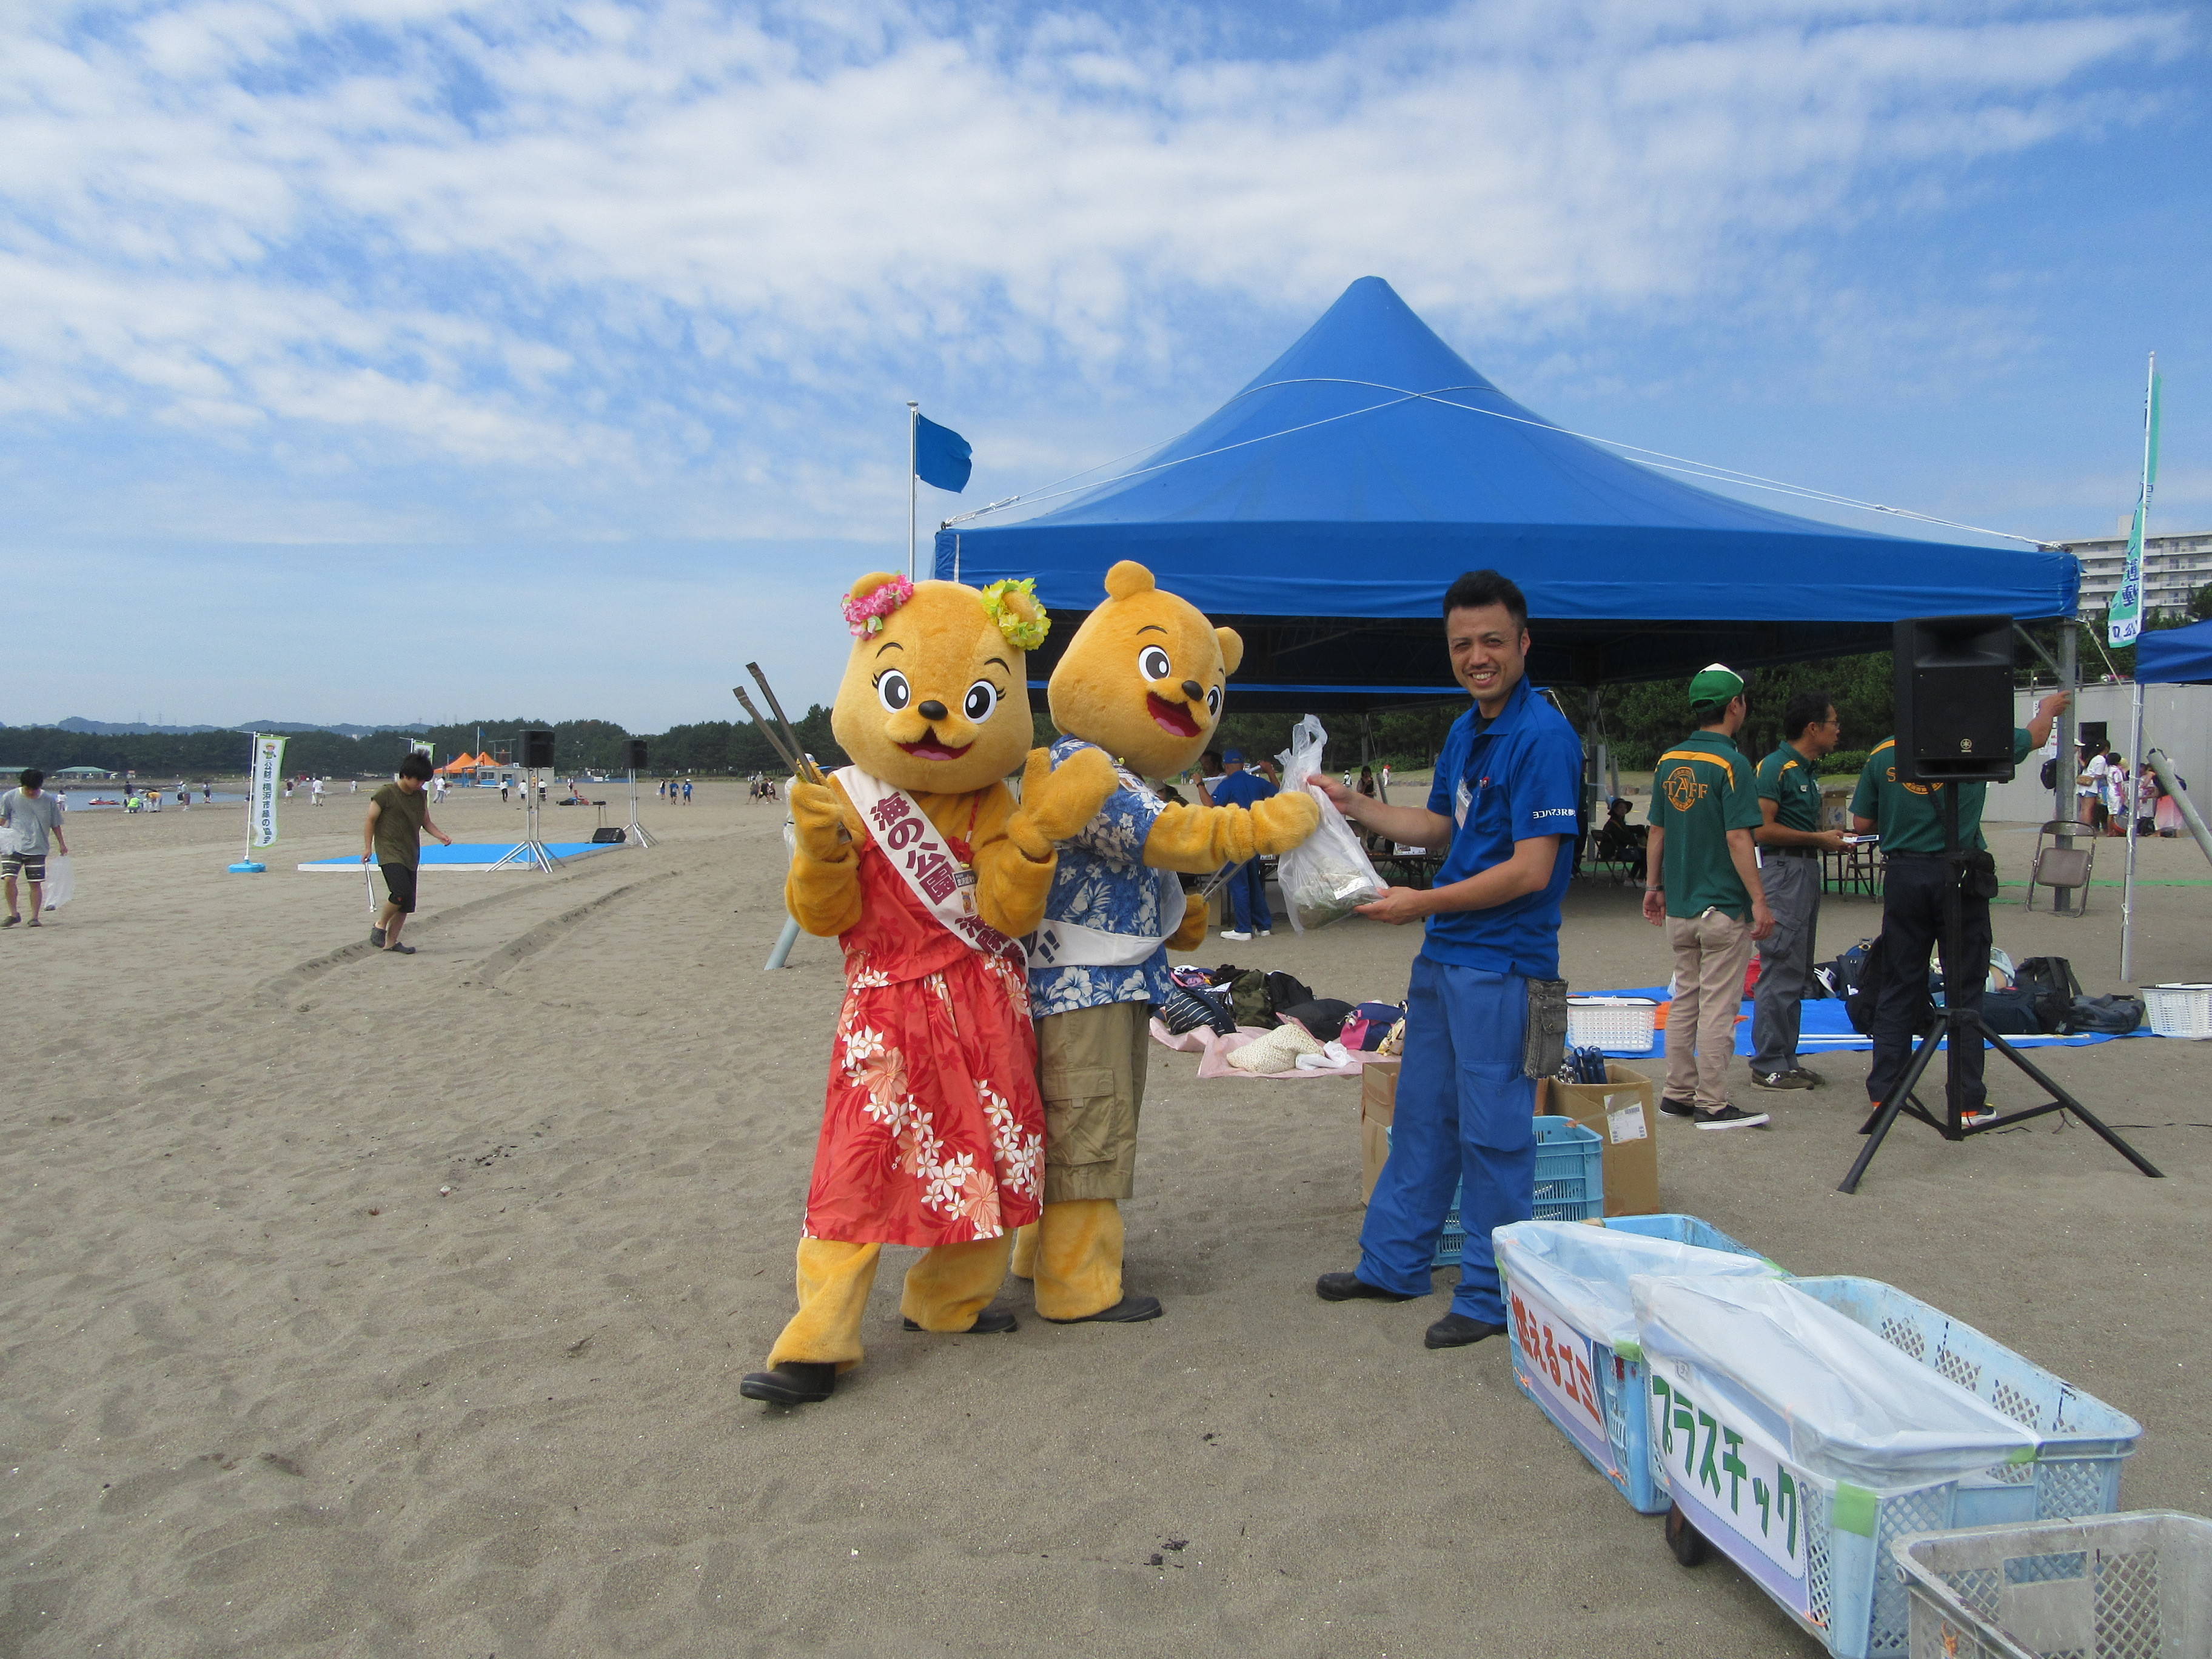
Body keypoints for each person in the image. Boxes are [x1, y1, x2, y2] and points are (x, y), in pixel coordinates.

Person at [1311, 569, 1583, 1350]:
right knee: (1424, 1115)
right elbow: (1441, 829)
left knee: (1496, 1132)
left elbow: (1532, 871)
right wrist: (1355, 807)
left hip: (1508, 966)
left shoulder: (1544, 737)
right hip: (1445, 958)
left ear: (1524, 643)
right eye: (1462, 644)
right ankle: (1393, 1264)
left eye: (1493, 641)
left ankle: (1494, 1298)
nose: (1478, 657)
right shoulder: (1468, 730)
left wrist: (1418, 903)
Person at [1853, 689, 2068, 1126]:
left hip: (1904, 875)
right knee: (1965, 989)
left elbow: (1861, 823)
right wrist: (2046, 710)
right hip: (1959, 874)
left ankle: (1886, 1093)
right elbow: (2036, 735)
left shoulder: (1883, 753)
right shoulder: (1977, 744)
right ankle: (1967, 1101)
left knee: (1899, 984)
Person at [1642, 666, 1775, 1128]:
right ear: (1735, 705)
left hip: (1680, 906)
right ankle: (1713, 1102)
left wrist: (1653, 887)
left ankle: (1677, 1093)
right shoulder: (1732, 764)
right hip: (1722, 907)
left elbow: (1657, 829)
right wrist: (1759, 899)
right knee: (1720, 1006)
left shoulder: (1668, 761)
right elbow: (1740, 838)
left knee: (1684, 1000)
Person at [1749, 690, 1848, 1091]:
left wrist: (1823, 840)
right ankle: (1768, 1062)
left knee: (1797, 969)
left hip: (1803, 869)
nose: (1838, 731)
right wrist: (1817, 838)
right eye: (1833, 724)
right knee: (1780, 966)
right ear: (1812, 728)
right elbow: (1759, 828)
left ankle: (1787, 1058)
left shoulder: (1805, 770)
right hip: (1784, 870)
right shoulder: (1776, 767)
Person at [361, 752, 452, 954]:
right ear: (406, 775)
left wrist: (440, 836)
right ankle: (380, 925)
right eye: (418, 779)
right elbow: (370, 820)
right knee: (400, 892)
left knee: (406, 903)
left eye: (424, 780)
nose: (421, 784)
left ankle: (391, 943)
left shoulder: (420, 796)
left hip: (411, 852)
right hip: (389, 851)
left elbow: (426, 822)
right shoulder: (386, 794)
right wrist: (368, 847)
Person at [1208, 750, 1277, 940]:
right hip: (1254, 839)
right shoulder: (1257, 782)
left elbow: (1210, 807)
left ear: (1227, 766)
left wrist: (1199, 784)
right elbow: (1278, 795)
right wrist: (1270, 772)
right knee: (1254, 883)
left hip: (1235, 839)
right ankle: (1263, 926)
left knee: (1239, 884)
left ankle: (1244, 929)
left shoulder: (1227, 784)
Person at [1, 769, 69, 928]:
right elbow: (2, 820)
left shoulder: (48, 800)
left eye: (34, 789)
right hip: (13, 846)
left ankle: (34, 917)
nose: (31, 792)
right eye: (28, 788)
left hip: (38, 847)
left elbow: (55, 824)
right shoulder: (10, 797)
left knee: (35, 883)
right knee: (9, 879)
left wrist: (62, 844)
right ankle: (13, 914)